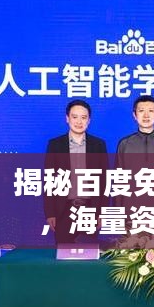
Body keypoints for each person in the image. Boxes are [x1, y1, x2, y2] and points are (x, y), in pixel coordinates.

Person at [44, 100, 108, 243]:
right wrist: (50, 213)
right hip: (63, 210)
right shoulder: (55, 145)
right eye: (75, 117)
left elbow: (104, 182)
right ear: (67, 118)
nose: (79, 122)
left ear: (89, 120)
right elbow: (49, 180)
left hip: (90, 209)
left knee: (88, 254)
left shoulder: (98, 145)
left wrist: (102, 212)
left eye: (83, 117)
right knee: (63, 254)